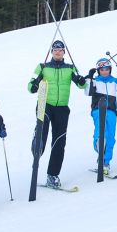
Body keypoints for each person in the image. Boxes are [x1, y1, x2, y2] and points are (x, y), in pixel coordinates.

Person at [28, 40, 86, 189]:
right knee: (43, 134)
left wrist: (81, 80)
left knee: (59, 142)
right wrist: (34, 85)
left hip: (62, 108)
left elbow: (82, 85)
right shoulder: (43, 67)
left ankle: (52, 175)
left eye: (60, 50)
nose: (58, 52)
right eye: (55, 50)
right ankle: (37, 145)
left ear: (64, 52)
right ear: (52, 52)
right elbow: (30, 85)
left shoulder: (70, 68)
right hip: (45, 105)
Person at [85, 57, 117, 175]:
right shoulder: (95, 80)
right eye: (102, 69)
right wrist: (89, 77)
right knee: (101, 131)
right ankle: (99, 145)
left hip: (112, 111)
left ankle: (105, 162)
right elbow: (88, 92)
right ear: (98, 70)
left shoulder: (114, 81)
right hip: (98, 110)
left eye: (107, 69)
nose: (104, 71)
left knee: (111, 137)